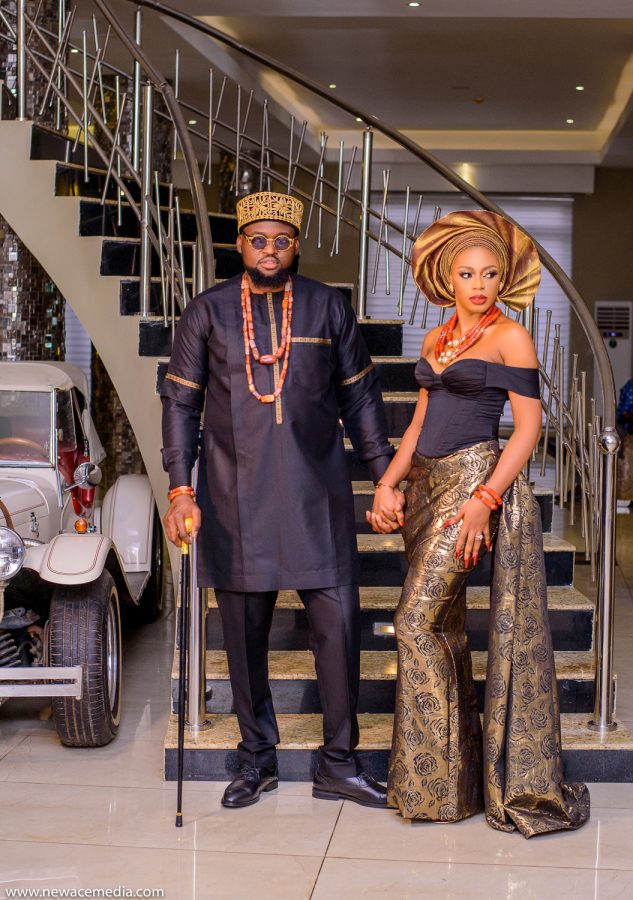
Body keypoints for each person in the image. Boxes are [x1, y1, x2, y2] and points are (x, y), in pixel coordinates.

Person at [161, 190, 395, 809]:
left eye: (282, 241)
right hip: (234, 499)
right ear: (240, 244)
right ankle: (256, 760)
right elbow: (181, 403)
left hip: (319, 498)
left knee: (339, 633)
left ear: (296, 246)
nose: (270, 250)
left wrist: (384, 476)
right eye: (258, 240)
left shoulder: (327, 306)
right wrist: (181, 488)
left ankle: (338, 764)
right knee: (243, 640)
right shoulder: (207, 311)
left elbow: (361, 399)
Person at [367, 209, 590, 837]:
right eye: (467, 274)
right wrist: (387, 481)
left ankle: (438, 781)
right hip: (424, 487)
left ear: (503, 279)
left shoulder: (510, 336)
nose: (480, 285)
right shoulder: (436, 338)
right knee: (443, 627)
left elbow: (529, 429)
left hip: (472, 484)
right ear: (446, 277)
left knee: (415, 621)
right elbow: (418, 423)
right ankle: (448, 786)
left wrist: (484, 499)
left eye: (490, 274)